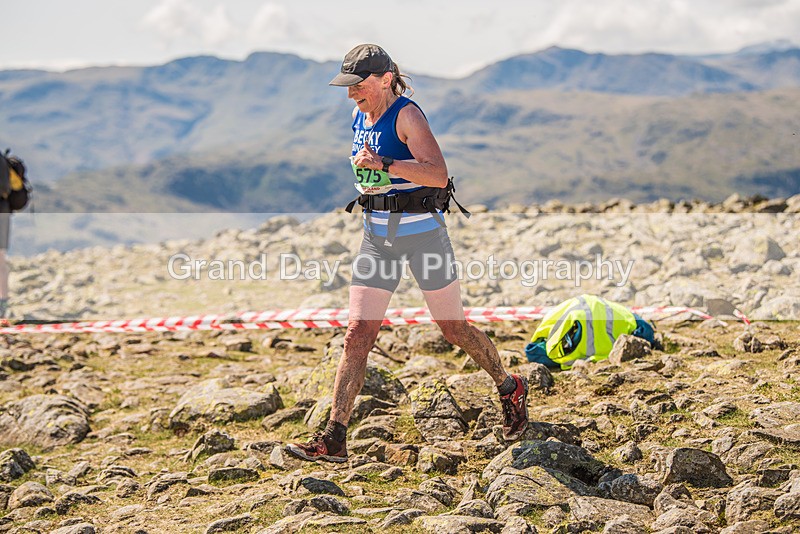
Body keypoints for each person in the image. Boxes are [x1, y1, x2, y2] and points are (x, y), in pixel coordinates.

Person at [286, 44, 528, 463]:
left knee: (453, 329)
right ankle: (334, 437)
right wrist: (370, 176)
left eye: (358, 86)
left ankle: (510, 386)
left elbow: (436, 172)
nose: (350, 95)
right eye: (347, 88)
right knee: (357, 334)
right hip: (376, 237)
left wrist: (385, 164)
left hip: (423, 238)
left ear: (384, 79)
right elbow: (372, 168)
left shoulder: (408, 115)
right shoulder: (360, 113)